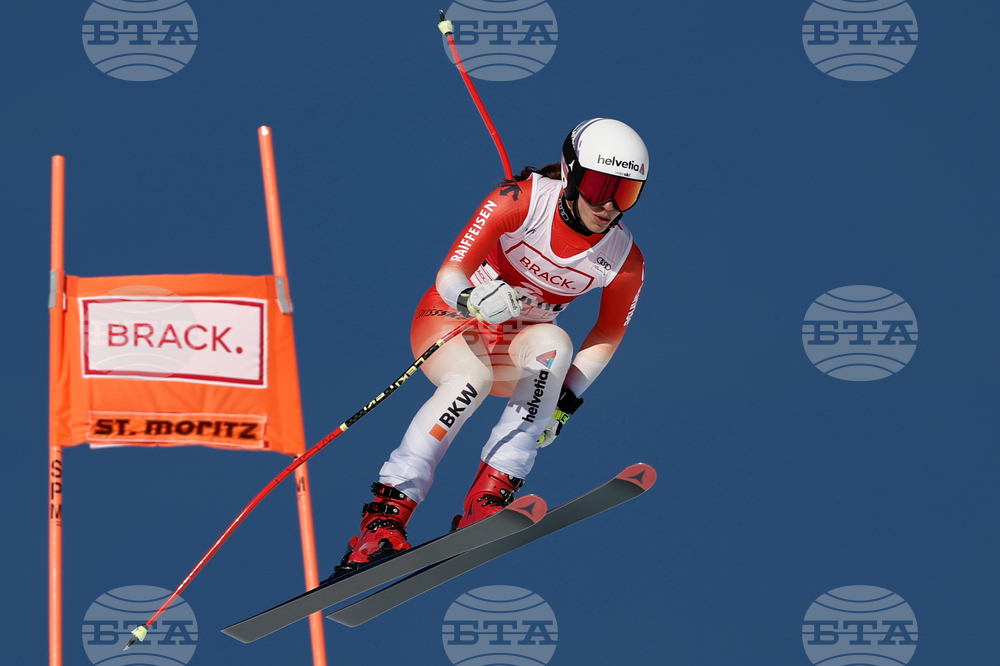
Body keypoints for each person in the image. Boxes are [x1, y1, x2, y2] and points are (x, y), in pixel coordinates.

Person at [334, 118, 648, 575]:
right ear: (572, 172)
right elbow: (450, 273)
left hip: (515, 347)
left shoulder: (624, 259)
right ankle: (383, 521)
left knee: (555, 346)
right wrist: (472, 297)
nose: (608, 205)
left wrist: (564, 402)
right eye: (600, 186)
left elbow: (606, 335)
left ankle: (489, 499)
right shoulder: (520, 200)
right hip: (453, 322)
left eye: (626, 193)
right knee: (470, 379)